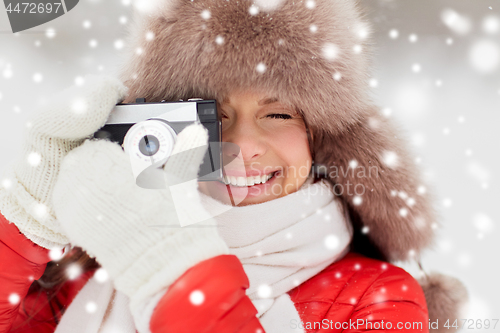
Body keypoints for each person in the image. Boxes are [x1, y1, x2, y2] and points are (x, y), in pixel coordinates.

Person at [0, 0, 468, 332]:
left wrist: (169, 268)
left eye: (278, 114)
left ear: (321, 137)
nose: (242, 146)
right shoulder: (98, 269)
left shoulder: (378, 298)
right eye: (214, 115)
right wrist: (25, 220)